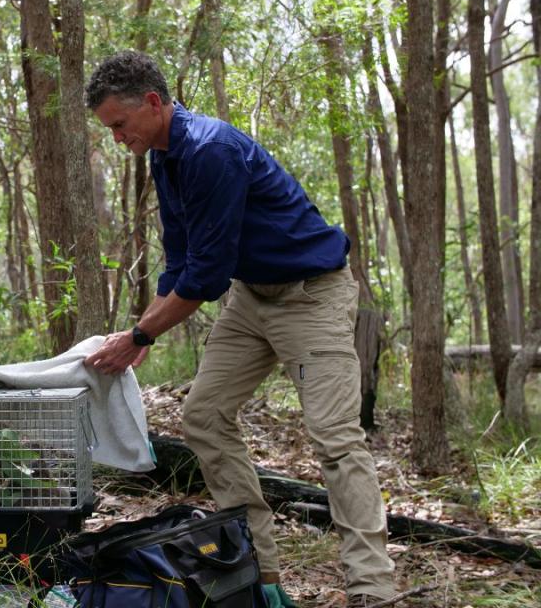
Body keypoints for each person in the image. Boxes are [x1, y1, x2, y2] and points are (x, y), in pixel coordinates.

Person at [83, 51, 396, 607]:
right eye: (110, 129)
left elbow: (204, 275)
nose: (116, 138)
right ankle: (260, 574)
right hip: (251, 298)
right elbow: (179, 260)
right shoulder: (164, 156)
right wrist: (142, 332)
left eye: (119, 125)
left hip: (310, 295)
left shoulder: (211, 150)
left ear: (153, 103)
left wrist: (140, 335)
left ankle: (373, 588)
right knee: (202, 416)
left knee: (334, 438)